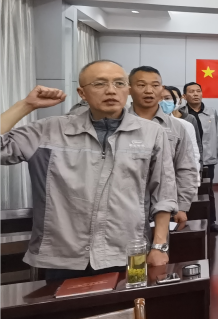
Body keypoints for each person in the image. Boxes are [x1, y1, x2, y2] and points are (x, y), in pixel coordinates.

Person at [1, 61, 177, 280]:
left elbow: (164, 193)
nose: (111, 90)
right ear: (82, 93)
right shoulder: (49, 130)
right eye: (99, 84)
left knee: (130, 302)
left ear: (128, 90)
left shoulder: (151, 133)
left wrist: (159, 246)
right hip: (63, 255)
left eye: (119, 83)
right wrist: (26, 105)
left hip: (128, 251)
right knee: (63, 303)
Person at [129, 66, 200, 227]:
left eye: (155, 85)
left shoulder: (177, 127)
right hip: (126, 207)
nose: (149, 91)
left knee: (162, 242)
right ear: (129, 89)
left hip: (166, 206)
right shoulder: (118, 124)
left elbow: (186, 168)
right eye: (141, 85)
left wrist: (182, 205)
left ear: (161, 89)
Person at [182, 81, 218, 233]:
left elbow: (217, 134)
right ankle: (188, 222)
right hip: (187, 160)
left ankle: (211, 222)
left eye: (198, 91)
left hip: (207, 159)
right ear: (184, 96)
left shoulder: (211, 112)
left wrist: (215, 154)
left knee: (208, 191)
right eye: (191, 91)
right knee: (187, 191)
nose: (195, 94)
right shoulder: (181, 113)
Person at [161, 86, 201, 171]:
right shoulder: (144, 123)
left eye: (167, 98)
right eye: (159, 98)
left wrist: (195, 174)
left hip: (178, 172)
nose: (163, 102)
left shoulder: (185, 124)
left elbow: (193, 154)